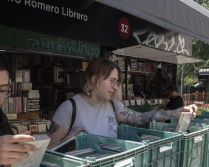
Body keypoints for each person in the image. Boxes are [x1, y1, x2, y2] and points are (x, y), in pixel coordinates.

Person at [47, 58, 197, 149]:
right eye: (112, 81)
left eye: (117, 82)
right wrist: (70, 140)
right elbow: (50, 150)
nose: (115, 87)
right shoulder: (69, 108)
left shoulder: (112, 105)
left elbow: (139, 118)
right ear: (94, 80)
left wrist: (173, 112)